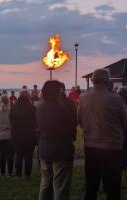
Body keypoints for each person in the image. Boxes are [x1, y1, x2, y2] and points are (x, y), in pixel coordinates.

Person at [78, 69, 127, 200]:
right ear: (107, 81)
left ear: (93, 80)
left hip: (90, 146)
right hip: (112, 148)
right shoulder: (116, 100)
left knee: (91, 186)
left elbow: (80, 120)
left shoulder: (83, 98)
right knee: (112, 188)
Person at [37, 80, 76, 200]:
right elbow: (70, 127)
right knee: (60, 185)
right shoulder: (60, 109)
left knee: (46, 183)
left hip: (45, 148)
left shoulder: (40, 107)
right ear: (56, 93)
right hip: (60, 150)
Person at [10, 90, 37, 178]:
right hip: (30, 135)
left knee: (18, 154)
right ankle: (27, 174)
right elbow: (36, 122)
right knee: (29, 155)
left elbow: (10, 120)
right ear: (28, 96)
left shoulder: (13, 107)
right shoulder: (32, 108)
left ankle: (18, 173)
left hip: (16, 135)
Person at [0, 94, 14, 177]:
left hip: (0, 136)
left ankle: (3, 173)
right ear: (8, 100)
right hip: (10, 135)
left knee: (2, 154)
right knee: (10, 155)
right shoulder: (12, 110)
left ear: (0, 101)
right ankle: (10, 172)